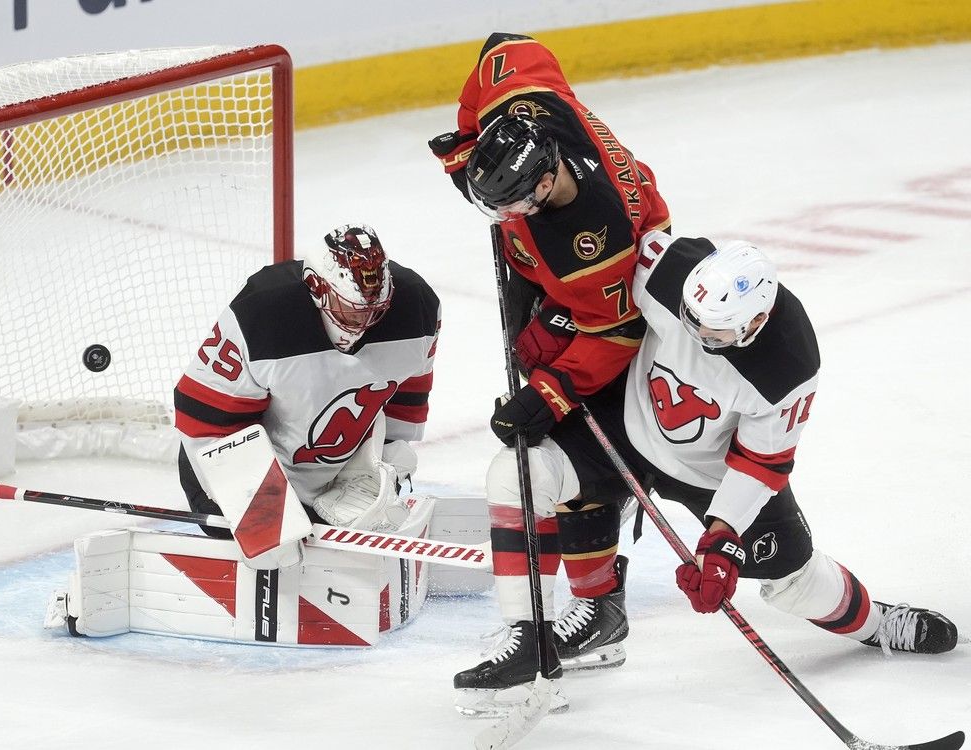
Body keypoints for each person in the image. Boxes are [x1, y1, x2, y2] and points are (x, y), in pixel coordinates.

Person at [456, 228, 959, 710]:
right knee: (518, 475)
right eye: (689, 320)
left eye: (713, 331)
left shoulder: (788, 363)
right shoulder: (671, 267)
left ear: (754, 324)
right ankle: (533, 636)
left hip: (710, 472)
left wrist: (721, 541)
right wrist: (553, 320)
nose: (694, 335)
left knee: (794, 582)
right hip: (625, 420)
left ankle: (875, 623)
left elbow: (761, 461)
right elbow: (596, 276)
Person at [429, 31, 671, 702]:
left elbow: (617, 332)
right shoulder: (528, 98)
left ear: (545, 180)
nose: (505, 217)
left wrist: (551, 390)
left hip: (634, 330)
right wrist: (470, 137)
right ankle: (542, 629)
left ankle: (598, 606)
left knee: (582, 458)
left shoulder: (599, 241)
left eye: (515, 204)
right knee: (530, 468)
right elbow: (502, 47)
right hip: (573, 297)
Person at [174, 224, 441, 534]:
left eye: (374, 312)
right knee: (271, 555)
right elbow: (205, 419)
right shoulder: (262, 314)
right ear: (317, 288)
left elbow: (406, 398)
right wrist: (264, 506)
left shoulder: (416, 307)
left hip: (332, 476)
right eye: (351, 311)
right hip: (233, 459)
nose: (363, 323)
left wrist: (381, 468)